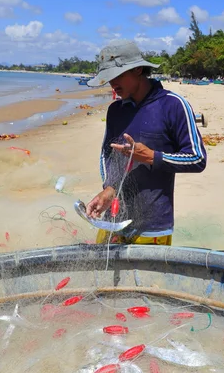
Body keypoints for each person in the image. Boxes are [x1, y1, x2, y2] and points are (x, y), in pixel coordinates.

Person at [86, 39, 207, 246]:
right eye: (108, 78)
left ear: (139, 70)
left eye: (118, 75)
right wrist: (109, 189)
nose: (112, 83)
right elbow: (107, 156)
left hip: (153, 226)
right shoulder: (115, 111)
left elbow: (197, 158)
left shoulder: (174, 105)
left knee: (147, 279)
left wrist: (152, 157)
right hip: (114, 219)